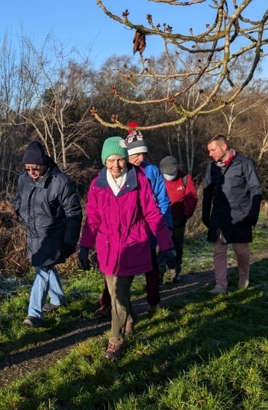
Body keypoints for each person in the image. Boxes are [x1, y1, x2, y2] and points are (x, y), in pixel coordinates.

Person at [78, 136, 175, 360]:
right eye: (111, 160)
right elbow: (92, 219)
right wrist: (84, 247)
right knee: (113, 293)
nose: (116, 165)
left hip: (133, 245)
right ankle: (130, 319)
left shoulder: (139, 181)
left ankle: (115, 341)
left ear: (126, 160)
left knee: (119, 295)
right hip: (107, 247)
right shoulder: (97, 185)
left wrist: (166, 245)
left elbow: (153, 214)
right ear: (104, 161)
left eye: (120, 160)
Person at [94, 123, 173, 317]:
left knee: (151, 267)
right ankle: (108, 303)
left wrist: (158, 230)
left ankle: (153, 301)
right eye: (136, 154)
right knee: (113, 268)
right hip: (122, 233)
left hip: (147, 231)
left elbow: (161, 201)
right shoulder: (115, 172)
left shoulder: (152, 171)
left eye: (143, 154)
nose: (141, 158)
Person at [15, 141, 82, 328]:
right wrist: (19, 209)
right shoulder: (23, 179)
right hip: (33, 233)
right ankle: (59, 298)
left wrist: (70, 241)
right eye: (28, 168)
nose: (31, 172)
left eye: (35, 168)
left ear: (44, 163)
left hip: (54, 234)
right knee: (43, 267)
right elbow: (19, 198)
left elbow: (74, 212)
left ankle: (34, 314)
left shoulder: (61, 182)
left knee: (43, 270)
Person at [202, 135, 262, 295]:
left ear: (224, 147)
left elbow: (256, 189)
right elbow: (207, 191)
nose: (210, 154)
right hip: (218, 215)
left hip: (240, 216)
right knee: (219, 251)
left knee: (240, 250)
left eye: (213, 150)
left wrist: (253, 213)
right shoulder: (211, 167)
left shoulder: (245, 164)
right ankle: (221, 285)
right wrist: (204, 214)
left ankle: (244, 275)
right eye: (209, 151)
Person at [159, 155, 198, 282]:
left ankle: (176, 271)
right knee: (160, 247)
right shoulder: (158, 179)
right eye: (167, 173)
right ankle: (159, 274)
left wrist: (186, 215)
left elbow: (191, 198)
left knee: (177, 245)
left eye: (172, 173)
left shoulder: (185, 178)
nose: (170, 176)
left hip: (178, 219)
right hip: (161, 219)